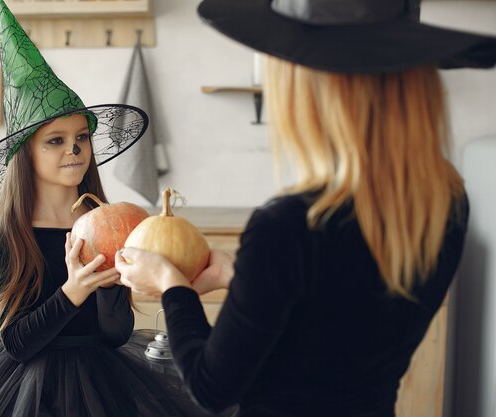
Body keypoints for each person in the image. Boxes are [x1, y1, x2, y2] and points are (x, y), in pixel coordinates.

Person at [115, 1, 496, 417]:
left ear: (310, 92)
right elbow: (336, 321)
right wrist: (238, 277)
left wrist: (172, 285)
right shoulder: (445, 204)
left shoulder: (288, 227)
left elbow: (212, 388)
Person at [0, 1, 229, 417]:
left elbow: (114, 336)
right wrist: (75, 289)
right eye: (55, 140)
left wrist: (109, 287)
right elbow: (19, 344)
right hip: (23, 389)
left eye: (81, 137)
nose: (74, 148)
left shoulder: (108, 225)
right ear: (26, 155)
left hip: (105, 380)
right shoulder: (11, 235)